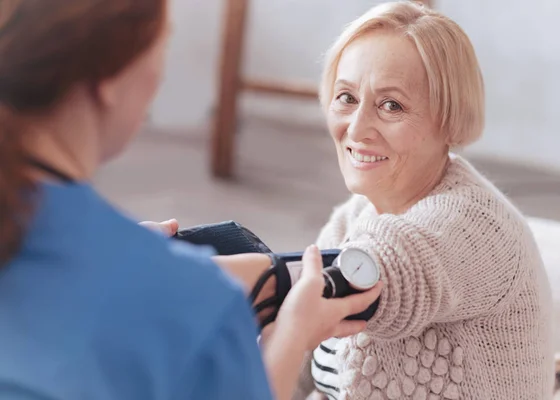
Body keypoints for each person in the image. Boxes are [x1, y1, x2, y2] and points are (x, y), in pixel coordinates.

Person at [0, 1, 382, 399]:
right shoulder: (196, 300)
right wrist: (290, 336)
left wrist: (115, 255)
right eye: (162, 48)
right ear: (109, 79)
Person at [291, 2, 555, 399]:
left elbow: (381, 279)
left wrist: (210, 276)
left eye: (391, 105)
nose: (357, 128)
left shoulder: (476, 224)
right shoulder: (352, 218)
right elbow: (289, 364)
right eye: (346, 97)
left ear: (449, 119)